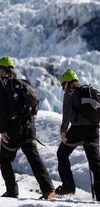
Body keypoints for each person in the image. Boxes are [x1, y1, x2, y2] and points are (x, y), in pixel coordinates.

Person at [0, 56, 54, 199]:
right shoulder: (24, 83)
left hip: (13, 129)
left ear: (2, 70)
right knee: (35, 159)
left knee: (5, 159)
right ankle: (48, 190)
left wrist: (3, 130)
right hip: (28, 127)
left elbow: (2, 109)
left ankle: (12, 191)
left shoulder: (2, 85)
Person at [56, 69, 100, 200]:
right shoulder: (90, 92)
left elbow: (67, 114)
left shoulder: (70, 93)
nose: (63, 88)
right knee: (96, 163)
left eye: (63, 85)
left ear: (67, 83)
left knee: (62, 153)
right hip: (94, 130)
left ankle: (68, 186)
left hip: (78, 130)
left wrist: (63, 131)